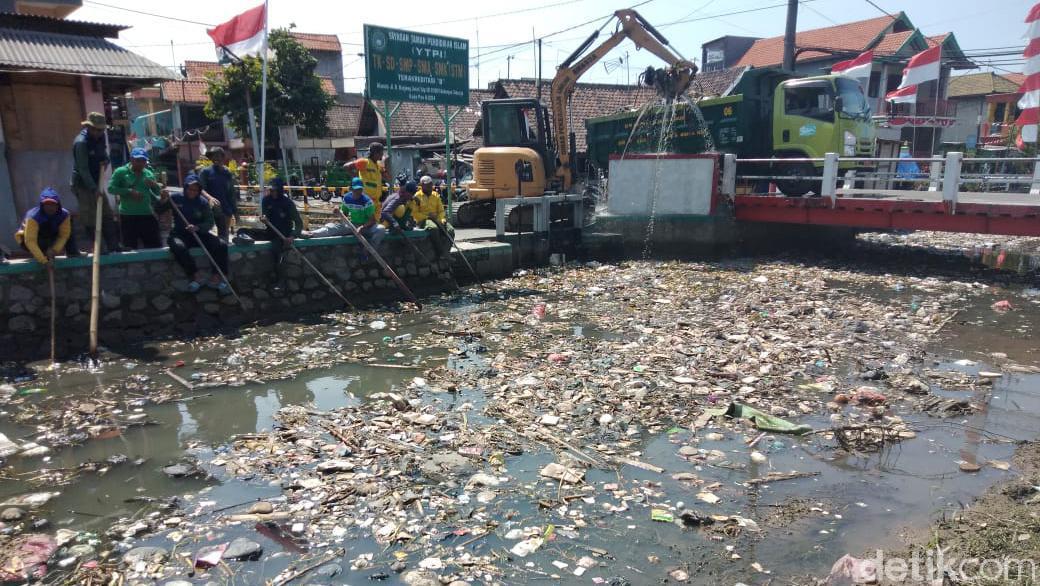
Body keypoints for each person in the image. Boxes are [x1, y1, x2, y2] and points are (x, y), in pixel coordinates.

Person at [157, 174, 231, 294]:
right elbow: (159, 209)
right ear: (185, 188)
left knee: (221, 244)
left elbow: (209, 222)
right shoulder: (175, 198)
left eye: (196, 190)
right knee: (178, 246)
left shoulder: (203, 202)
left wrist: (198, 227)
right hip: (180, 234)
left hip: (198, 233)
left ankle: (217, 277)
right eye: (190, 189)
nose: (192, 192)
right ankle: (196, 275)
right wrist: (163, 199)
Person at [237, 177, 303, 287]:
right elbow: (265, 217)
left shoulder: (288, 203)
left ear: (280, 190)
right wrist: (264, 219)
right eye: (271, 190)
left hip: (283, 234)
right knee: (242, 230)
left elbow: (299, 223)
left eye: (275, 190)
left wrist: (292, 236)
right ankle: (247, 240)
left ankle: (279, 280)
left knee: (276, 251)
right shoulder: (266, 200)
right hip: (270, 231)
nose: (273, 192)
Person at [304, 178, 386, 261]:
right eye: (356, 189)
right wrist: (338, 212)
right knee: (332, 228)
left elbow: (372, 220)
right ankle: (311, 233)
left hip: (366, 226)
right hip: (352, 225)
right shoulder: (347, 198)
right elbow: (344, 213)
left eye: (360, 189)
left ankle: (366, 252)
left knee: (381, 229)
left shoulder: (367, 201)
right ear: (351, 189)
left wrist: (362, 227)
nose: (358, 191)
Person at [71, 111, 118, 253]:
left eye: (101, 129)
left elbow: (104, 156)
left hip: (96, 182)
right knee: (90, 217)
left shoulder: (101, 137)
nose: (99, 132)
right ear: (89, 127)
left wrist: (106, 161)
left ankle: (113, 245)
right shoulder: (81, 143)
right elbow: (83, 169)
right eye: (96, 129)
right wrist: (93, 188)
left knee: (107, 214)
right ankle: (99, 247)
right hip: (83, 184)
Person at [108, 147, 166, 249]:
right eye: (138, 160)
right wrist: (129, 191)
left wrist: (155, 186)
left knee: (154, 246)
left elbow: (156, 194)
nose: (141, 163)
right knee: (130, 247)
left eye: (143, 161)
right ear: (131, 159)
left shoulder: (148, 173)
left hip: (147, 214)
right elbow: (111, 189)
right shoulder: (120, 172)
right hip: (128, 215)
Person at [14, 188, 72, 265]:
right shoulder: (33, 217)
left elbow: (64, 236)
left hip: (50, 237)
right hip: (28, 241)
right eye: (47, 205)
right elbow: (30, 241)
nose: (50, 208)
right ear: (42, 205)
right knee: (44, 230)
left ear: (58, 205)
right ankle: (42, 253)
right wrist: (43, 261)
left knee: (70, 228)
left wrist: (54, 250)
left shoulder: (64, 215)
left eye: (53, 204)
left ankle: (72, 251)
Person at [198, 147, 239, 241]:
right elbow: (200, 189)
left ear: (223, 157)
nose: (216, 158)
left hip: (225, 209)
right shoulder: (205, 172)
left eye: (218, 155)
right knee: (206, 234)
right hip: (210, 208)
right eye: (213, 156)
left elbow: (231, 193)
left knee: (224, 235)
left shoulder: (227, 173)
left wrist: (235, 212)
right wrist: (210, 198)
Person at [410, 175, 455, 257]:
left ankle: (446, 252)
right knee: (433, 228)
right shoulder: (417, 196)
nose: (430, 187)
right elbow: (415, 214)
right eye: (427, 185)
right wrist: (428, 217)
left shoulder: (435, 195)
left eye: (431, 184)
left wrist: (442, 220)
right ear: (422, 185)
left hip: (437, 218)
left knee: (450, 230)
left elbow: (441, 211)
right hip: (424, 220)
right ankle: (440, 252)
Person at [343, 142, 389, 210]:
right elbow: (346, 166)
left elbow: (388, 178)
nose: (382, 155)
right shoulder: (364, 162)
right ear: (375, 153)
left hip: (376, 201)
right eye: (381, 152)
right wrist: (356, 177)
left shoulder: (378, 165)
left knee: (377, 219)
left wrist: (386, 164)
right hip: (365, 200)